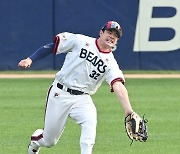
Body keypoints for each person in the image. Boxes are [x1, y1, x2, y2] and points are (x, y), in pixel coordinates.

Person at [18, 21, 134, 154]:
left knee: (90, 126)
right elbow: (52, 46)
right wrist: (30, 59)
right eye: (109, 32)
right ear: (101, 33)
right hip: (60, 93)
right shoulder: (81, 41)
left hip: (83, 99)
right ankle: (35, 142)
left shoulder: (111, 64)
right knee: (49, 141)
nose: (112, 36)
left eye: (116, 35)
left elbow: (118, 85)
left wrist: (128, 110)